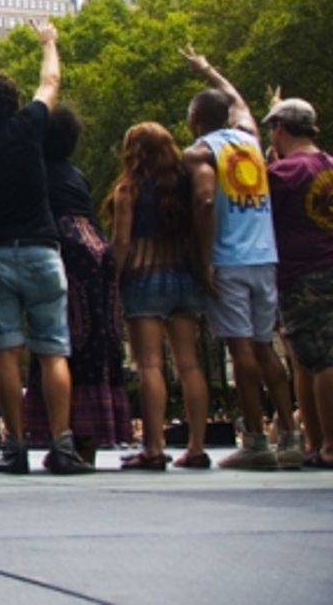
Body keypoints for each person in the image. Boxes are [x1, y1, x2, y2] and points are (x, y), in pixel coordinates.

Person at [0, 21, 92, 475]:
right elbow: (51, 81)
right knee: (53, 350)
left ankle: (14, 446)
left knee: (6, 351)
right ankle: (63, 444)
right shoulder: (30, 125)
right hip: (41, 250)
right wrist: (49, 41)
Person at [182, 48, 298, 469]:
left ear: (196, 119)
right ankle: (290, 436)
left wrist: (204, 258)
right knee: (266, 347)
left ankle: (255, 440)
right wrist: (208, 69)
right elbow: (240, 102)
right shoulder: (250, 139)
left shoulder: (199, 153)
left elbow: (205, 199)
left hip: (228, 260)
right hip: (266, 257)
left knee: (240, 349)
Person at [23, 107, 131, 459]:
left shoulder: (38, 171)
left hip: (63, 250)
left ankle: (62, 430)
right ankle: (87, 438)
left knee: (56, 341)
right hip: (97, 252)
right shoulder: (77, 174)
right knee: (95, 344)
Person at [105, 122, 210, 470]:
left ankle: (153, 447)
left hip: (144, 277)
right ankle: (197, 446)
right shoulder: (184, 188)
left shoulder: (128, 189)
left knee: (149, 364)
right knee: (189, 364)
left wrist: (112, 278)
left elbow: (122, 242)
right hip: (184, 277)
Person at [262, 97, 333, 468]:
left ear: (279, 129)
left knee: (322, 360)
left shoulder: (283, 174)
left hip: (303, 275)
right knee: (304, 361)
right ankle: (315, 444)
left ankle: (328, 446)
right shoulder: (328, 164)